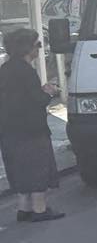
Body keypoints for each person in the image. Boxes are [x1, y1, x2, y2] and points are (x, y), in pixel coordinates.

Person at [1, 29, 63, 222]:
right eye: (38, 45)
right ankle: (39, 209)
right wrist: (49, 92)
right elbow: (35, 101)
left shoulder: (4, 69)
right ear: (27, 48)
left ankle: (23, 208)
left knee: (18, 166)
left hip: (8, 128)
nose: (39, 49)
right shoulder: (27, 71)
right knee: (38, 166)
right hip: (31, 128)